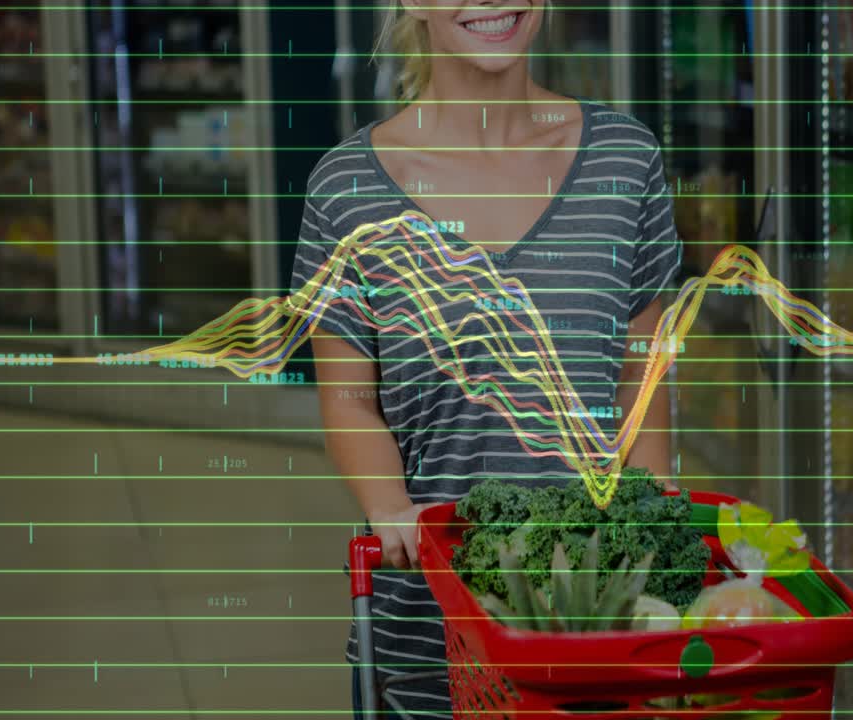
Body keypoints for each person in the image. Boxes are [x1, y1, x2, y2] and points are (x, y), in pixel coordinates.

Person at [289, 0, 683, 715]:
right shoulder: (346, 189)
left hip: (596, 633)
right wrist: (392, 510)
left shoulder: (626, 160)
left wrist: (650, 525)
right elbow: (347, 400)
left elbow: (642, 374)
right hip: (428, 641)